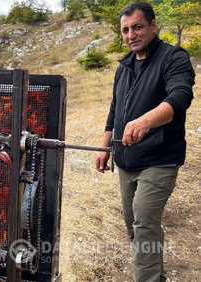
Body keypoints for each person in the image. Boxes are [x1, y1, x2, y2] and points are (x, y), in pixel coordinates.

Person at [95, 2, 195, 282]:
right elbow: (115, 109)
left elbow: (180, 97)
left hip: (160, 159)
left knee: (144, 222)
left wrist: (145, 121)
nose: (130, 35)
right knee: (134, 226)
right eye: (125, 30)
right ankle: (155, 274)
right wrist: (106, 146)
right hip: (127, 160)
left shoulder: (173, 58)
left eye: (137, 27)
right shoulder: (124, 67)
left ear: (153, 26)